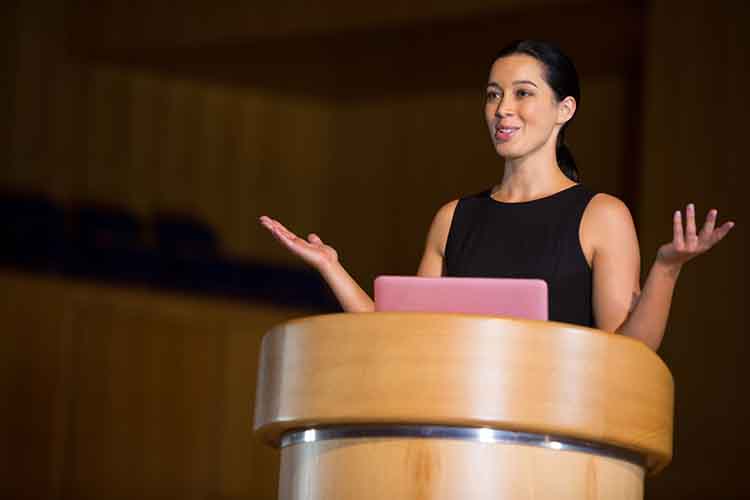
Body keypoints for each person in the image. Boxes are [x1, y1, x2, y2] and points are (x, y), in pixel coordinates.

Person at [259, 40, 734, 352]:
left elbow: (626, 352)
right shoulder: (453, 218)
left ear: (563, 109)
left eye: (523, 93)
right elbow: (402, 334)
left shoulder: (600, 215)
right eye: (492, 94)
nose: (502, 109)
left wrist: (667, 269)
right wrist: (331, 267)